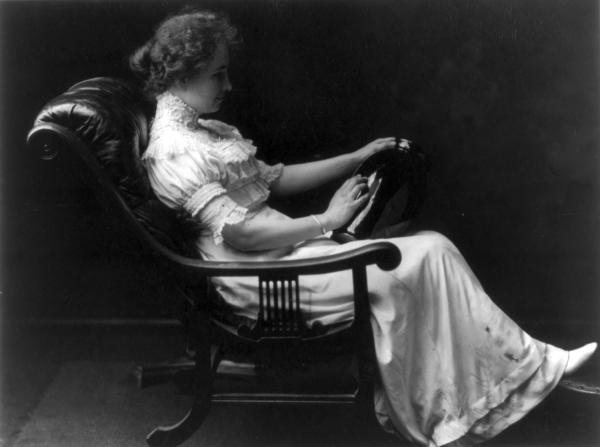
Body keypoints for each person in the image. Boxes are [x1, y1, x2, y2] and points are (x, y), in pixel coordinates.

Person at [130, 9, 596, 447]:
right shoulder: (175, 151)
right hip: (259, 280)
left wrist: (354, 157)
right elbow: (241, 236)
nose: (228, 84)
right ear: (183, 75)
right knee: (422, 257)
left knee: (434, 246)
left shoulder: (205, 134)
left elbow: (277, 177)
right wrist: (328, 221)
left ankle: (514, 374)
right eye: (218, 73)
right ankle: (478, 397)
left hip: (280, 257)